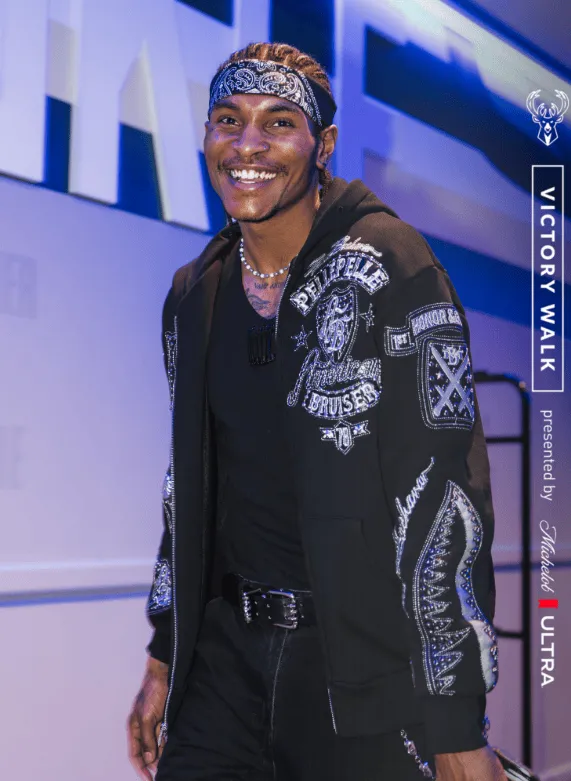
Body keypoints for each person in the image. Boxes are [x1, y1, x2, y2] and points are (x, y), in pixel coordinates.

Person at [127, 42, 507, 781]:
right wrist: (164, 653)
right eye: (228, 119)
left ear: (322, 145)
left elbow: (444, 496)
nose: (247, 145)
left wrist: (455, 717)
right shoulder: (193, 294)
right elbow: (189, 489)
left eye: (278, 123)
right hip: (223, 670)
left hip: (358, 677)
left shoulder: (392, 262)